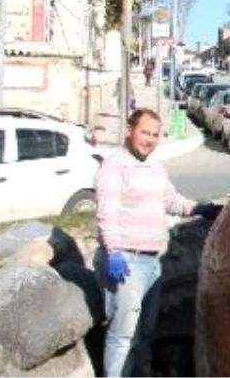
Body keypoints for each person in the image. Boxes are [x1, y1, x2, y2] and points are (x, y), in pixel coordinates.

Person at [95, 108, 223, 377]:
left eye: (155, 135)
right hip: (126, 260)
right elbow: (107, 214)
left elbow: (171, 201)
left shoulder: (155, 167)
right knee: (123, 334)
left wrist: (201, 209)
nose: (150, 139)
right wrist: (113, 252)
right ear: (130, 131)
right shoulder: (115, 166)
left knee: (146, 331)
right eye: (145, 132)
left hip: (153, 261)